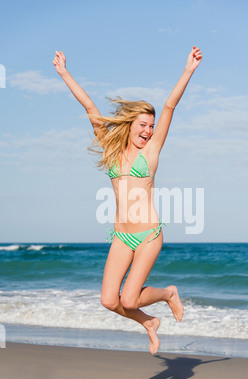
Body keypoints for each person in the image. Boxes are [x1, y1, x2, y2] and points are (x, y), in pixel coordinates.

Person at [53, 46, 202, 354]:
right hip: (121, 235)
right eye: (142, 125)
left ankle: (167, 293)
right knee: (109, 300)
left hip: (149, 234)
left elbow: (170, 105)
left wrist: (187, 71)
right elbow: (90, 106)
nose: (147, 131)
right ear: (130, 124)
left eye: (151, 125)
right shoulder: (110, 146)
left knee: (129, 299)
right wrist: (65, 73)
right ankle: (148, 322)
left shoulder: (152, 151)